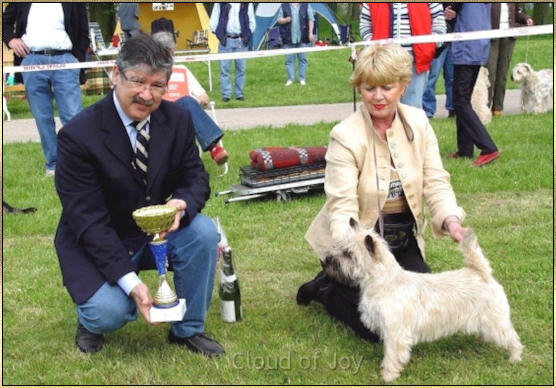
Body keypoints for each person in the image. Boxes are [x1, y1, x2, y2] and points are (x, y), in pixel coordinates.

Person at [54, 33, 224, 357]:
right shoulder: (77, 136)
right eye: (138, 81)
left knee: (202, 232)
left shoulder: (177, 119)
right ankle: (91, 320)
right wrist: (133, 286)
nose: (146, 94)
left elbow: (196, 177)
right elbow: (88, 222)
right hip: (98, 240)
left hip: (152, 235)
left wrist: (181, 204)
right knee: (109, 312)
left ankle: (187, 329)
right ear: (115, 75)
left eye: (157, 85)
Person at [297, 44, 465, 342]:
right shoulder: (345, 134)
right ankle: (327, 288)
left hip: (401, 238)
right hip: (358, 241)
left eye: (387, 87)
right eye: (369, 87)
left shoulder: (419, 122)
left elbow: (436, 180)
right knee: (377, 329)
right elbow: (341, 204)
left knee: (417, 313)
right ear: (359, 87)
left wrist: (450, 218)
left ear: (402, 86)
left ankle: (333, 280)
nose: (378, 96)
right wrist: (350, 251)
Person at [2, 3, 89, 176]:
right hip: (31, 59)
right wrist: (11, 39)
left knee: (73, 116)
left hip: (65, 58)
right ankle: (53, 164)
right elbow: (5, 22)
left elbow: (83, 31)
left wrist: (75, 59)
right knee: (42, 117)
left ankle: (78, 164)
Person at [151, 31, 228, 165]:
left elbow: (204, 98)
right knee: (186, 102)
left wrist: (193, 101)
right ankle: (213, 147)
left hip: (181, 117)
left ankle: (213, 147)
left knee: (187, 102)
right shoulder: (148, 73)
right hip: (157, 116)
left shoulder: (182, 70)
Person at [359, 3, 446, 109]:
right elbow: (365, 26)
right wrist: (373, 46)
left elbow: (439, 22)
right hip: (383, 62)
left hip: (416, 61)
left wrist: (431, 44)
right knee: (383, 108)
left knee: (412, 109)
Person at [447, 3, 500, 167]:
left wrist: (452, 10)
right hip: (479, 46)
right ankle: (465, 149)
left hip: (466, 47)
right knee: (464, 100)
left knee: (460, 101)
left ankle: (488, 147)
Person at [487, 3, 533, 116]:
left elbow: (518, 13)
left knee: (502, 74)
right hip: (491, 36)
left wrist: (527, 18)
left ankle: (497, 108)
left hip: (509, 37)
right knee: (490, 74)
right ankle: (485, 107)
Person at [210, 3, 256, 102]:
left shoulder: (247, 3)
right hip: (226, 40)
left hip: (241, 40)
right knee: (224, 69)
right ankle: (226, 94)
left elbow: (252, 22)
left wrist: (246, 35)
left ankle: (239, 94)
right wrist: (220, 35)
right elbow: (213, 21)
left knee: (241, 69)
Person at [422, 4, 456, 119]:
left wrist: (455, 12)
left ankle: (453, 109)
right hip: (437, 37)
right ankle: (428, 110)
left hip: (456, 35)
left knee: (452, 77)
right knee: (431, 77)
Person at [276, 3, 315, 86]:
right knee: (289, 60)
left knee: (303, 59)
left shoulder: (306, 5)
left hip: (302, 37)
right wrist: (286, 20)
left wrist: (310, 33)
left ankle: (302, 79)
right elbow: (278, 19)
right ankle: (290, 79)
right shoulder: (284, 5)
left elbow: (311, 19)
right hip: (288, 37)